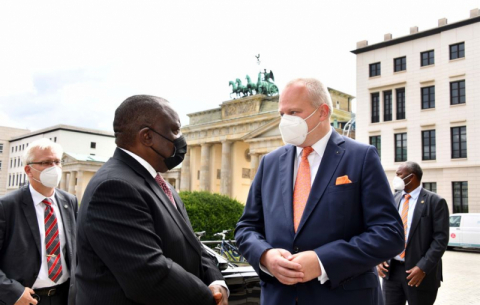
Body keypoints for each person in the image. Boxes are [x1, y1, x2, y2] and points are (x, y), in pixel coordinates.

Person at [235, 78, 405, 305]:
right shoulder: (270, 163)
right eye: (282, 113)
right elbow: (246, 228)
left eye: (293, 112)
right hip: (280, 298)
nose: (285, 121)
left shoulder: (361, 157)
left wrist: (322, 261)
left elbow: (389, 234)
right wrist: (265, 256)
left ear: (322, 112)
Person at [75, 95, 228, 305]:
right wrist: (208, 298)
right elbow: (147, 272)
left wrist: (217, 283)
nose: (180, 138)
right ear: (147, 137)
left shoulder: (159, 183)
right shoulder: (113, 187)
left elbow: (194, 245)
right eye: (174, 130)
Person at [0, 139, 78, 305]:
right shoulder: (7, 206)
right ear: (29, 170)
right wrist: (12, 292)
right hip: (25, 299)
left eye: (57, 161)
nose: (54, 168)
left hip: (64, 297)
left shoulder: (69, 201)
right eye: (46, 162)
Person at [377, 161, 449, 305]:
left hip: (419, 273)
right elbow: (384, 230)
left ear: (411, 177)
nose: (395, 177)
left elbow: (440, 239)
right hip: (392, 272)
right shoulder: (393, 198)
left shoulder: (435, 201)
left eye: (399, 174)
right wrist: (380, 257)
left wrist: (423, 267)